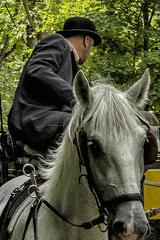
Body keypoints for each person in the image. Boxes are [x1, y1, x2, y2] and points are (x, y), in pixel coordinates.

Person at [7, 16, 101, 155]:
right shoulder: (58, 42)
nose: (90, 51)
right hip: (35, 121)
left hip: (51, 120)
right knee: (92, 126)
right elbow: (37, 69)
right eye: (92, 46)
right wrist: (76, 99)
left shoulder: (73, 67)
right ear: (86, 41)